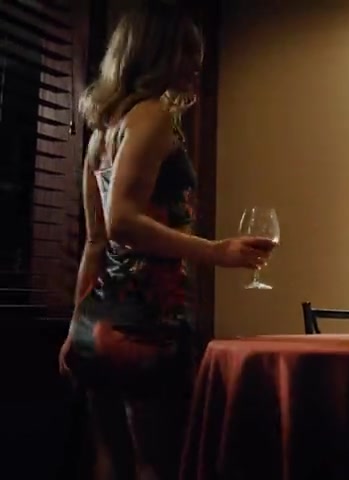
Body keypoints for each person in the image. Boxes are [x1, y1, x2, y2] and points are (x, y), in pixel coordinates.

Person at [57, 3, 275, 479]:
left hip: (98, 324)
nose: (197, 63)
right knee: (159, 465)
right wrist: (216, 251)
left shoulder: (103, 131)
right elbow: (122, 223)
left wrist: (76, 329)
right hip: (146, 321)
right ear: (155, 52)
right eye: (186, 51)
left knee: (109, 464)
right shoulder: (153, 116)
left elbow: (95, 242)